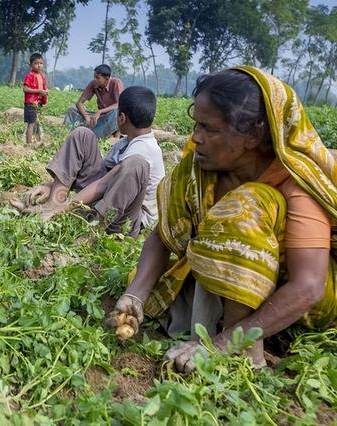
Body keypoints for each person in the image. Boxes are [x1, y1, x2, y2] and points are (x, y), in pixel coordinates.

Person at [108, 66, 337, 374]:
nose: (196, 138)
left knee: (248, 204)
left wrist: (221, 343)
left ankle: (242, 345)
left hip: (311, 300)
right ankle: (227, 325)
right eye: (196, 125)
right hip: (246, 284)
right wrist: (136, 293)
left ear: (253, 134)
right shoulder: (201, 167)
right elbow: (164, 236)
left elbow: (308, 286)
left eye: (209, 129)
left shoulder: (294, 183)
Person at [12, 86, 165, 237]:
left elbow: (103, 184)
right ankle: (54, 203)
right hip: (105, 199)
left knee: (135, 164)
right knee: (83, 135)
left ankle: (91, 231)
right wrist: (50, 186)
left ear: (122, 118)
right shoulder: (124, 143)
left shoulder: (145, 150)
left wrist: (63, 209)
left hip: (126, 219)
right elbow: (99, 174)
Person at [63, 64, 124, 139]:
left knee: (118, 112)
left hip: (111, 115)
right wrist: (87, 118)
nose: (95, 79)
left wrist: (100, 111)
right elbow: (79, 103)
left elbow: (120, 104)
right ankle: (71, 132)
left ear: (107, 78)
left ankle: (114, 135)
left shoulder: (116, 83)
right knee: (71, 110)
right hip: (100, 117)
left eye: (98, 78)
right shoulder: (93, 84)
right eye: (94, 77)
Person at [23, 52, 48, 145]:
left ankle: (35, 140)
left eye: (41, 63)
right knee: (31, 123)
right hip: (31, 103)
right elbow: (25, 88)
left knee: (36, 122)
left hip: (38, 103)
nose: (39, 65)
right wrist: (39, 91)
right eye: (36, 63)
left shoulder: (42, 76)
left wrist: (45, 93)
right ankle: (28, 143)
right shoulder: (30, 75)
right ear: (31, 65)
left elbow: (43, 88)